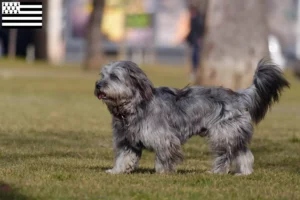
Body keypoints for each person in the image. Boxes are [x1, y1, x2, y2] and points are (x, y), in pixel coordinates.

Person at [186, 5, 205, 82]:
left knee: (196, 56)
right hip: (194, 39)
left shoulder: (198, 19)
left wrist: (198, 38)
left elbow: (198, 29)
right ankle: (194, 71)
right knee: (194, 56)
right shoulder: (193, 19)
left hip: (196, 40)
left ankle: (195, 71)